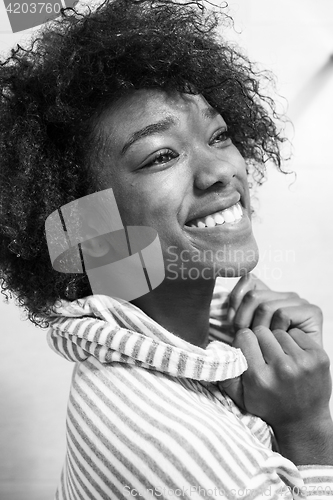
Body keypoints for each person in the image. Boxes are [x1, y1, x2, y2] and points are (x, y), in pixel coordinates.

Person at [0, 1, 332, 498]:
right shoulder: (170, 443)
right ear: (84, 222)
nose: (221, 169)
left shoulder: (173, 334)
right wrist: (307, 424)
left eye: (219, 134)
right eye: (161, 156)